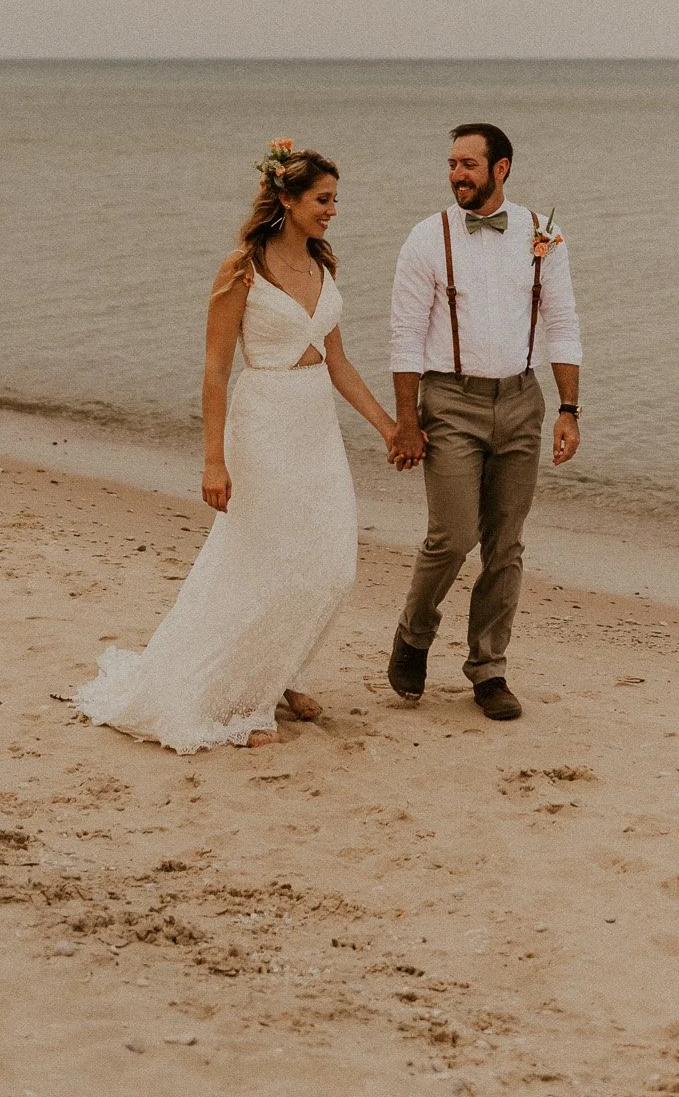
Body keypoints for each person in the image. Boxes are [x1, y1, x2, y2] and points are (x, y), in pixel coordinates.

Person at [74, 141, 396, 751]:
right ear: (287, 199)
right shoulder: (242, 268)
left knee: (332, 562)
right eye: (323, 200)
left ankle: (287, 670)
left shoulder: (324, 265)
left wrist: (387, 427)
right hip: (265, 422)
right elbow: (215, 370)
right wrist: (213, 458)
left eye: (335, 200)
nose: (332, 211)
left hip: (315, 426)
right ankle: (242, 701)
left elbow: (339, 361)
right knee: (264, 561)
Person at [385, 122, 582, 720]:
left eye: (468, 164)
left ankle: (489, 668)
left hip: (523, 400)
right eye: (451, 164)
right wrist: (406, 422)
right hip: (450, 402)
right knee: (452, 534)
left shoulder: (542, 236)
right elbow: (405, 337)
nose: (456, 175)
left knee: (506, 543)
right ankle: (414, 634)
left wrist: (569, 410)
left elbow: (563, 324)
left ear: (502, 168)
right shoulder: (427, 237)